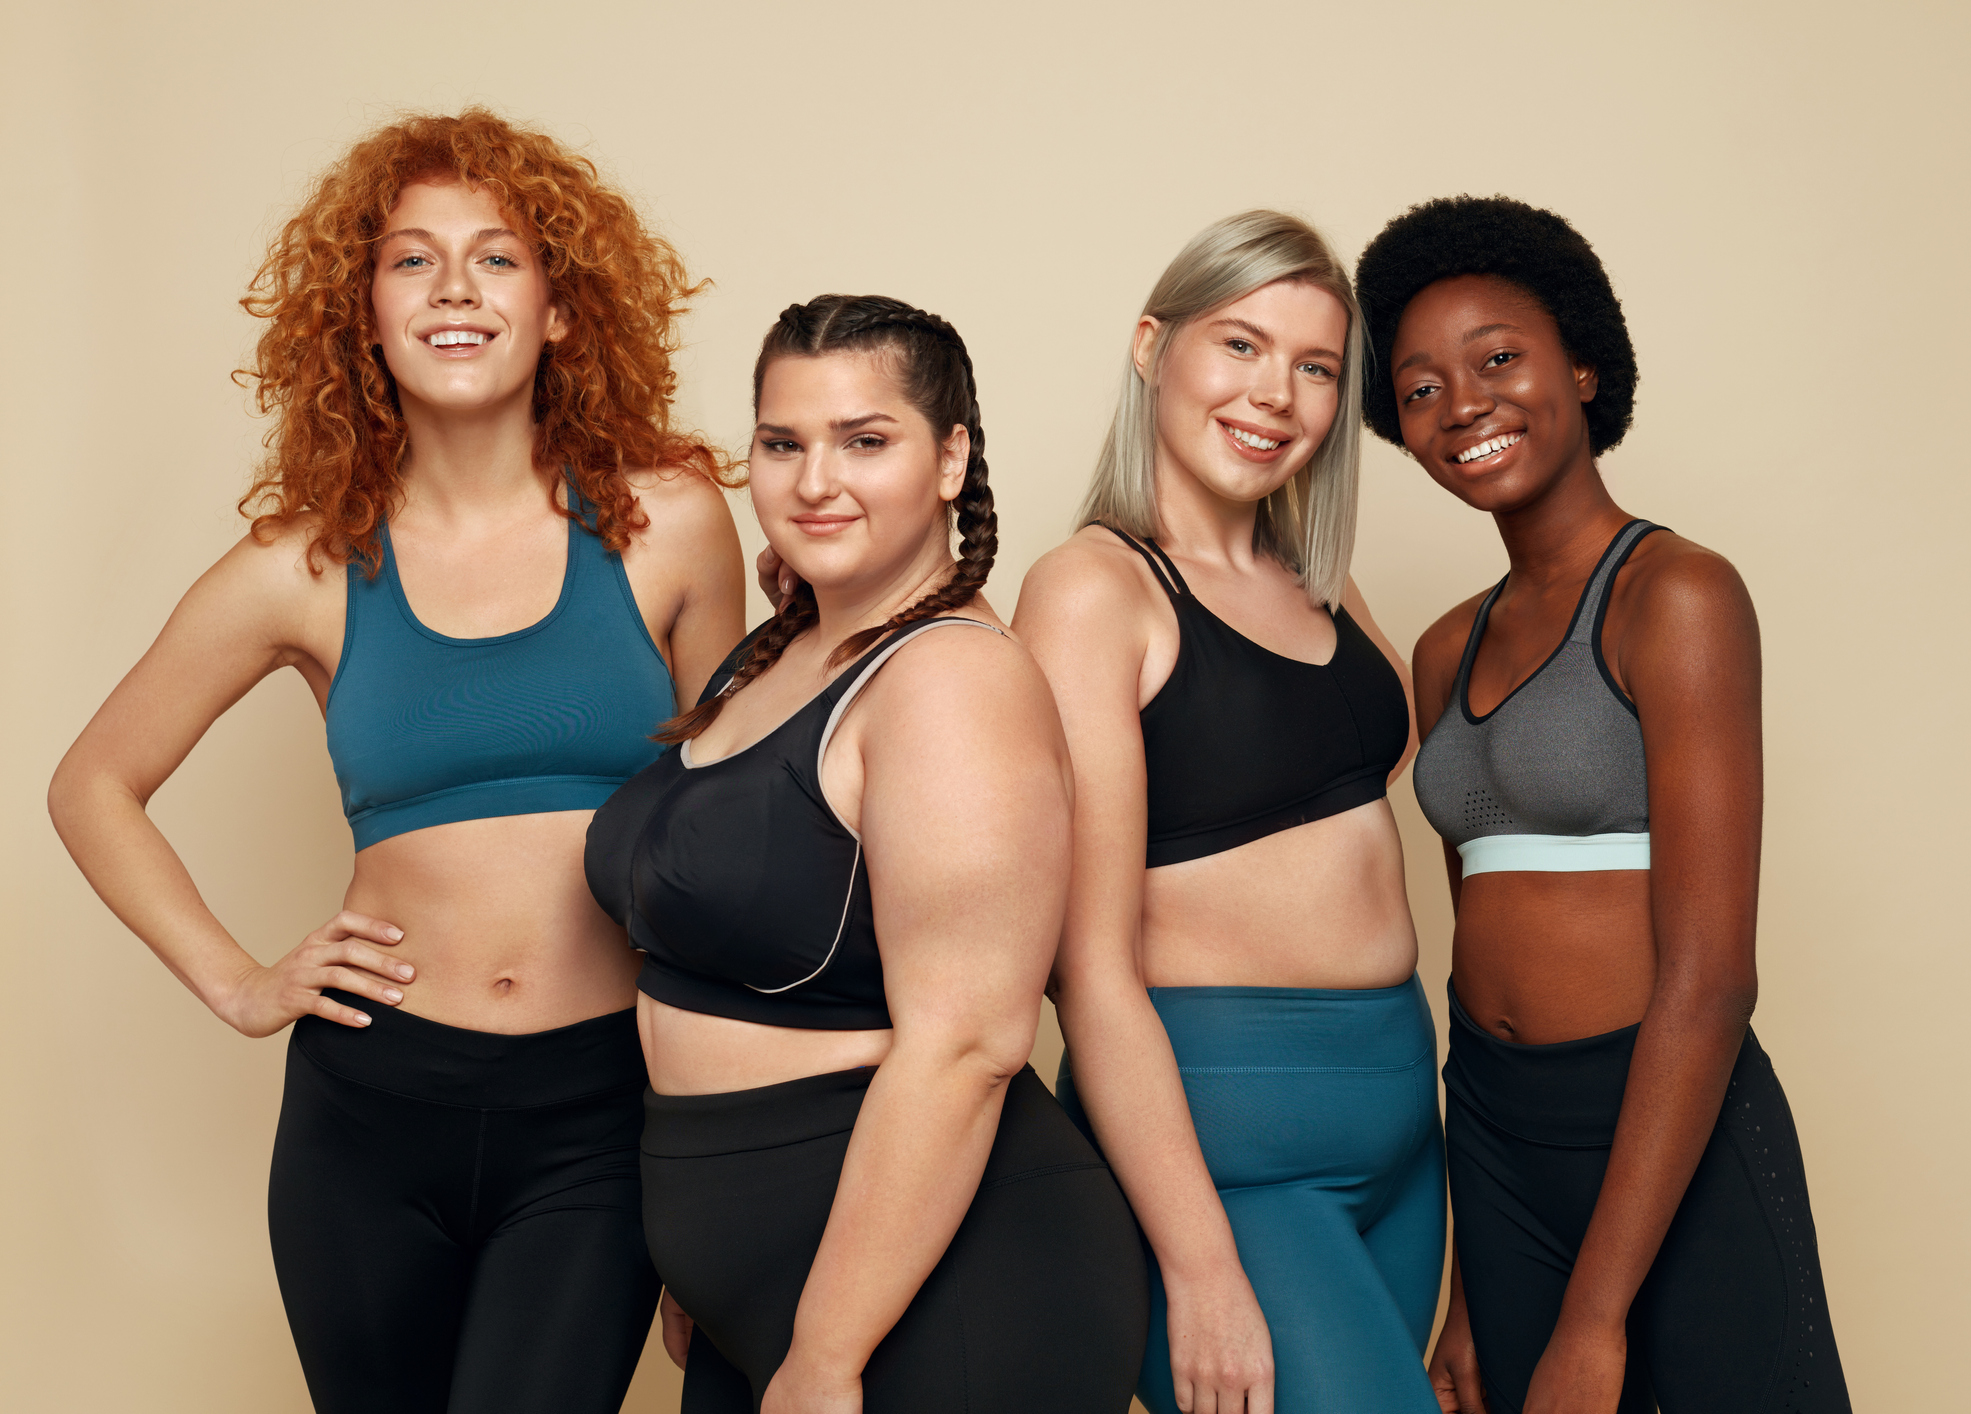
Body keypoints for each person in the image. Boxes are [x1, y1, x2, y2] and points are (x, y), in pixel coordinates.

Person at [46, 109, 745, 1413]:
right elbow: (91, 784)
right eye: (411, 260)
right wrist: (241, 981)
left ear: (563, 308)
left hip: (598, 1107)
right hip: (366, 1112)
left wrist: (724, 1140)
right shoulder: (297, 567)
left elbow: (734, 831)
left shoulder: (675, 526)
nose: (455, 290)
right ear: (363, 315)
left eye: (497, 257)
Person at [587, 294, 1149, 1414]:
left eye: (865, 440)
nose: (814, 480)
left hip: (940, 1299)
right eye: (783, 443)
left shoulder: (952, 681)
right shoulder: (781, 647)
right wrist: (704, 1237)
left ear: (951, 459)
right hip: (773, 1289)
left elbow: (972, 1042)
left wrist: (830, 1348)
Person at [1355, 194, 1852, 1414]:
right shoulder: (1441, 650)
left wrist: (1593, 1319)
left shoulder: (1674, 596)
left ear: (1583, 364)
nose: (1462, 403)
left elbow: (1711, 976)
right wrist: (1476, 1288)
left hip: (1669, 1130)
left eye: (1499, 358)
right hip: (1499, 1137)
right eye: (1419, 388)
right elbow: (1479, 939)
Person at [1012, 211, 1447, 1414]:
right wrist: (1200, 1268)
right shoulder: (1094, 591)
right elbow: (1086, 969)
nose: (1278, 394)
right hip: (1228, 1156)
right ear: (1153, 346)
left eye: (1316, 368)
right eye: (1241, 345)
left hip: (1403, 1135)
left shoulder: (1320, 578)